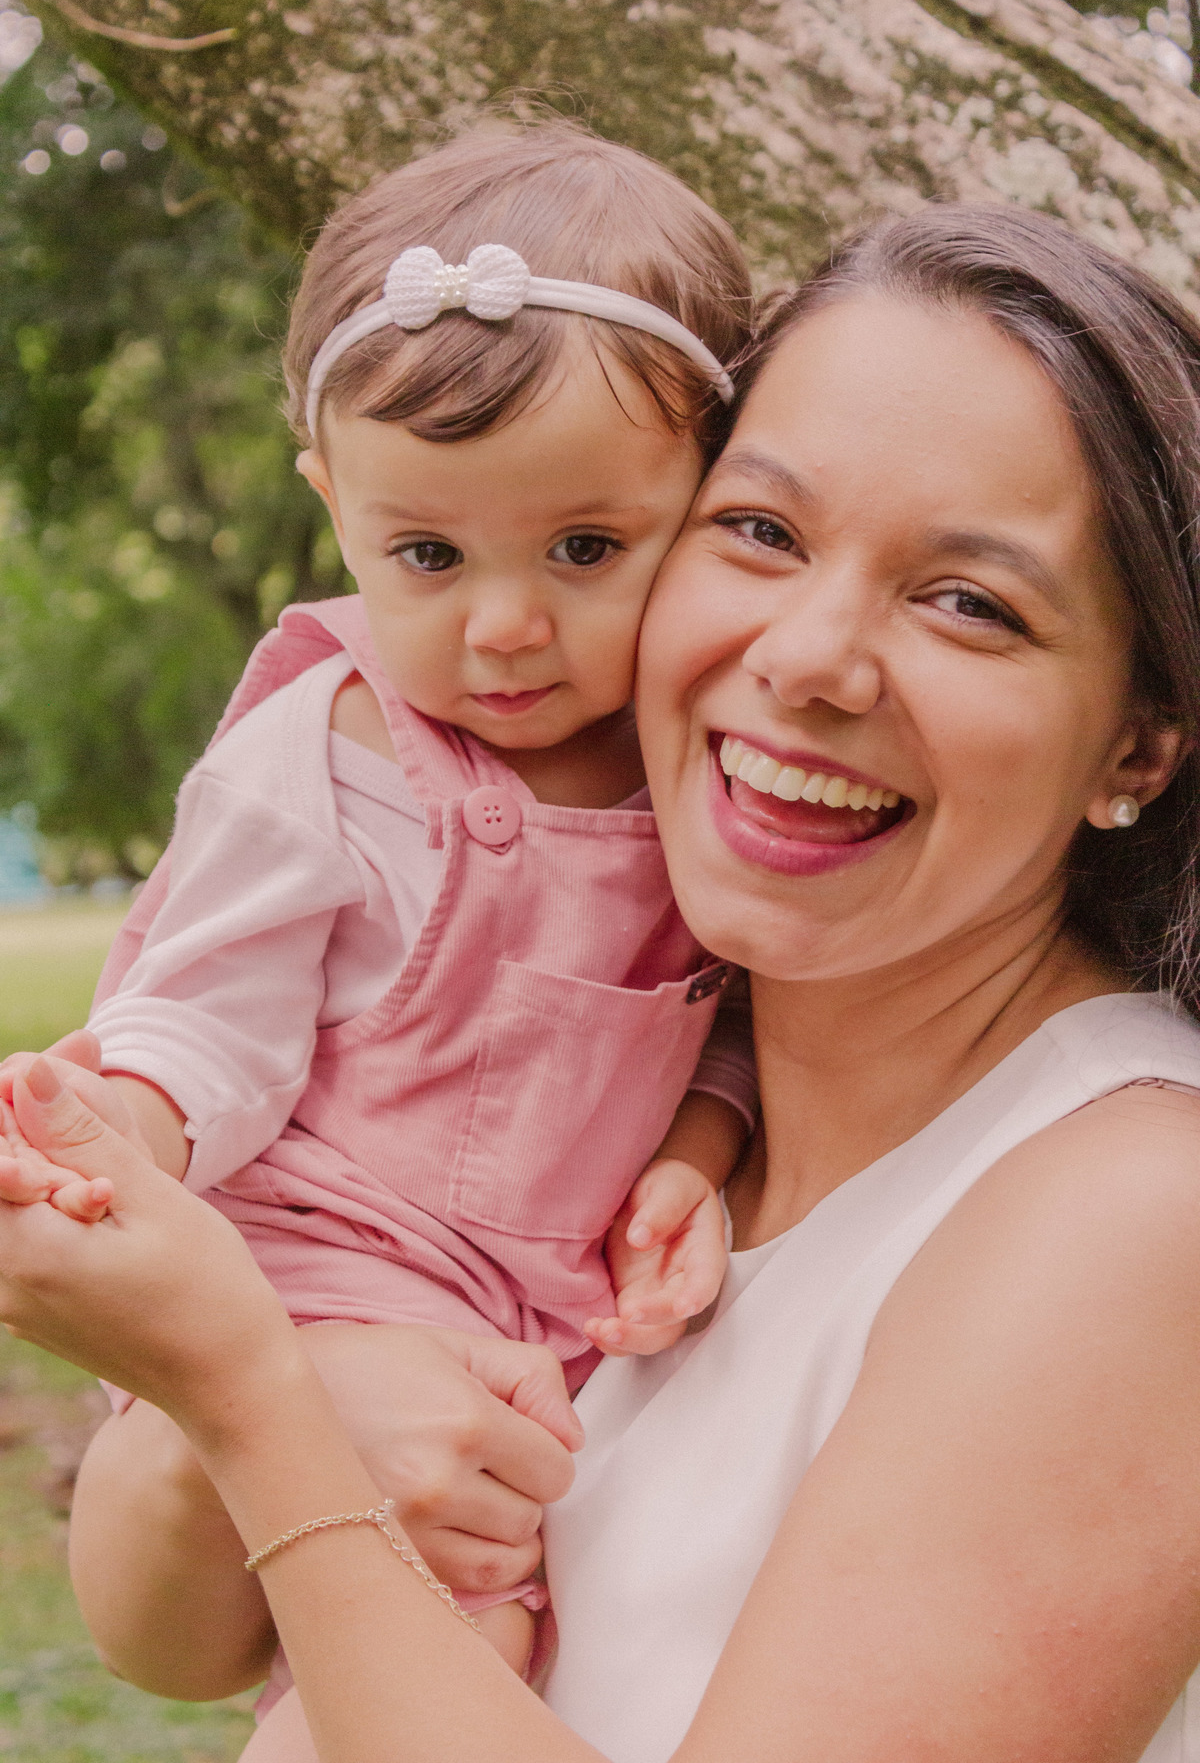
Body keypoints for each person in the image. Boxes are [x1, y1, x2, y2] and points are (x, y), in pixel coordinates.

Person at [7, 199, 1200, 1763]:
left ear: (1136, 747)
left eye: (968, 601)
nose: (811, 657)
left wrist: (255, 1393)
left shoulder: (1132, 1215)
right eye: (763, 533)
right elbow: (160, 1638)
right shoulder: (629, 1107)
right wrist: (239, 1385)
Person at [0, 121, 760, 1722]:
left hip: (543, 1322)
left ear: (712, 493)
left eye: (584, 548)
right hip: (325, 1269)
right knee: (452, 1635)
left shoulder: (713, 758)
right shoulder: (339, 750)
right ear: (329, 497)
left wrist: (699, 1149)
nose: (501, 625)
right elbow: (207, 1011)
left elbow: (737, 1017)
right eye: (425, 551)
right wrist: (119, 1136)